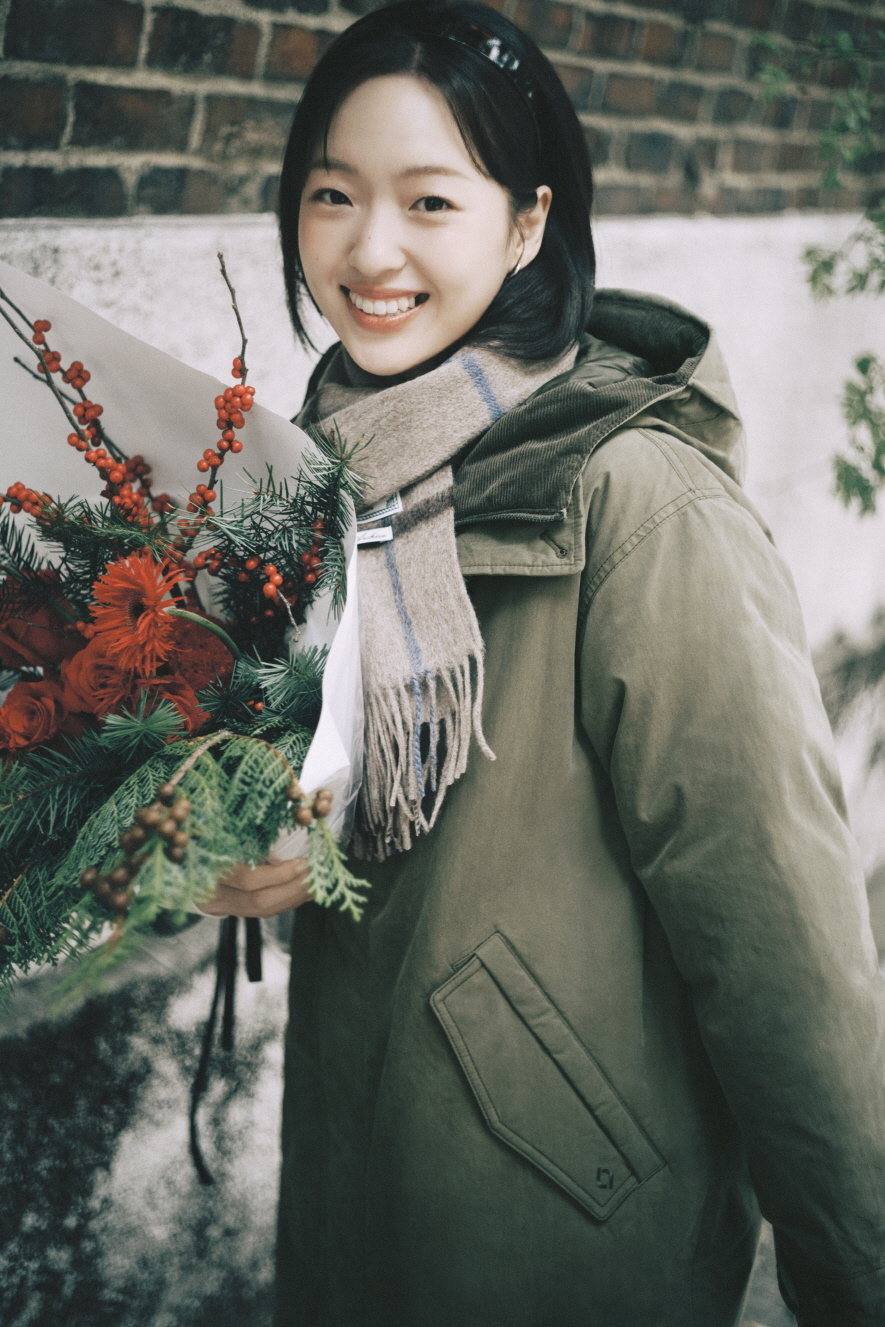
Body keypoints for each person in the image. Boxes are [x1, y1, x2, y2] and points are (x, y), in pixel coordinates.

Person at [202, 3, 885, 1323]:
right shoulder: (329, 475)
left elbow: (781, 944)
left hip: (565, 1223)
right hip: (357, 1170)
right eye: (332, 194)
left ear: (526, 225)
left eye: (430, 201)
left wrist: (858, 1281)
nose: (370, 248)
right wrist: (230, 841)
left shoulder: (640, 504)